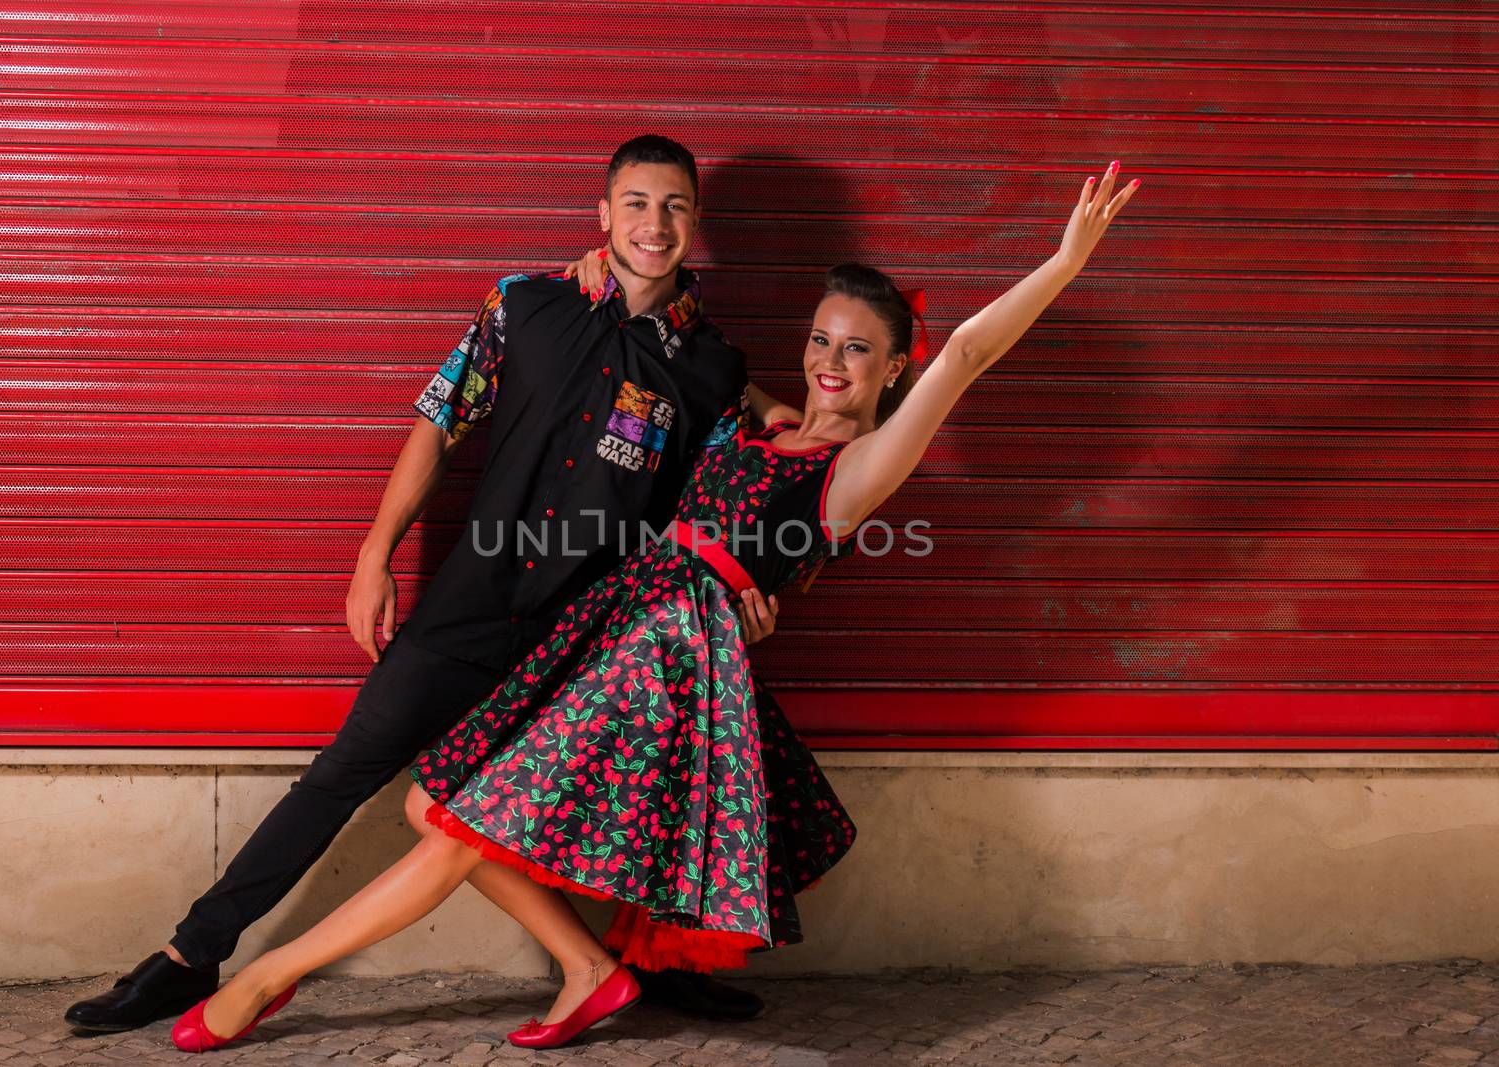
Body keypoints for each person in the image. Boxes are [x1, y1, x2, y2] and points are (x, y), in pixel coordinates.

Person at [168, 161, 1142, 1051]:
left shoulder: (855, 472)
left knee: (456, 820)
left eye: (859, 351)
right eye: (820, 338)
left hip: (661, 660)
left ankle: (262, 975)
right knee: (437, 799)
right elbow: (685, 398)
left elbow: (965, 353)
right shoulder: (757, 424)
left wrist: (1061, 261)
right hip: (612, 624)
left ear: (895, 370)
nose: (830, 362)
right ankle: (590, 970)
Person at [64, 133, 791, 1033]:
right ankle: (189, 955)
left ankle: (657, 962)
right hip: (470, 604)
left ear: (696, 223)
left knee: (647, 795)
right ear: (604, 215)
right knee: (337, 777)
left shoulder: (714, 369)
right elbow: (440, 422)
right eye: (637, 203)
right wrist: (375, 553)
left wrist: (745, 592)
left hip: (590, 638)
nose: (655, 223)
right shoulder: (522, 306)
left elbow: (713, 511)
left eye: (675, 206)